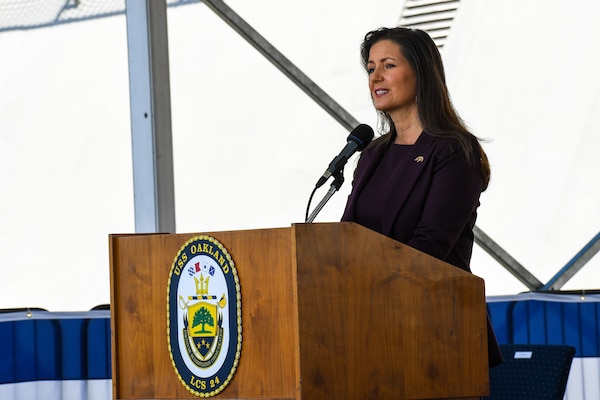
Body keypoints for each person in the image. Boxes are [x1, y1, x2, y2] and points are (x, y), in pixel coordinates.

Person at [341, 26, 503, 367]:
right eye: (371, 69)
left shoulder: (454, 150)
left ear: (421, 73)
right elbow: (347, 239)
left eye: (388, 65)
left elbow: (430, 246)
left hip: (437, 332)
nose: (375, 77)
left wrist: (365, 286)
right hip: (369, 329)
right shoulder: (371, 154)